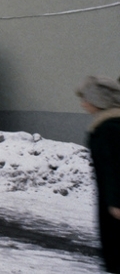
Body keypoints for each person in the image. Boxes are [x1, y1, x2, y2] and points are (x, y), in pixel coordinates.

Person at [77, 76, 120, 273]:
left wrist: (115, 202)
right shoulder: (109, 123)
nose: (83, 103)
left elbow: (114, 167)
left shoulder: (108, 128)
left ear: (98, 101)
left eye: (86, 98)